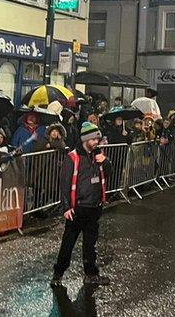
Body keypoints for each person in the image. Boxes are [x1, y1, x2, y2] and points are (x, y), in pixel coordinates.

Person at [52, 122, 113, 287]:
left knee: (90, 245)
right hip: (77, 208)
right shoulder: (73, 157)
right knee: (68, 243)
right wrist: (66, 207)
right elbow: (64, 183)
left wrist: (105, 162)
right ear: (85, 139)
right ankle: (58, 273)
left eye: (97, 139)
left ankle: (91, 274)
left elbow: (108, 173)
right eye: (93, 139)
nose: (96, 142)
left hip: (94, 207)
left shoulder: (97, 155)